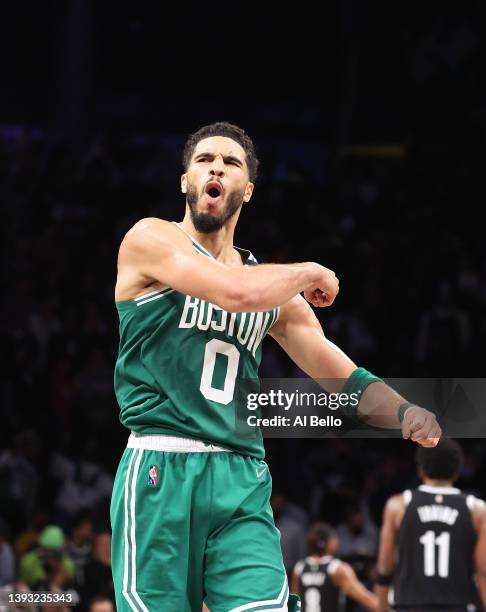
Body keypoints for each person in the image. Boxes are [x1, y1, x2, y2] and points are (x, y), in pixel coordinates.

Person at [110, 121, 441, 611]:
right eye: (203, 160)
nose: (215, 167)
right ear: (185, 181)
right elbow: (235, 292)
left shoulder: (274, 293)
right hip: (161, 467)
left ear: (248, 189)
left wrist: (403, 411)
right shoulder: (150, 240)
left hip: (241, 476)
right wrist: (307, 270)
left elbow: (337, 371)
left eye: (230, 162)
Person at [375, 438, 486, 611]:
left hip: (410, 604)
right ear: (457, 472)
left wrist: (382, 606)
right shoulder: (477, 509)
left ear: (421, 470)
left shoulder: (398, 505)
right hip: (459, 604)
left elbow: (384, 565)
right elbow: (483, 571)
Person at [291, 522, 378, 611]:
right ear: (330, 542)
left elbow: (294, 606)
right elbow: (365, 598)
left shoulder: (299, 568)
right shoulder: (336, 568)